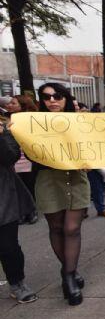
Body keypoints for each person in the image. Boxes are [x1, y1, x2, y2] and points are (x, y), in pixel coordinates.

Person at [34, 83, 89, 305]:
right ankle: (70, 271)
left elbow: (95, 148)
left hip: (76, 178)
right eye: (46, 97)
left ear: (65, 98)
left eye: (57, 96)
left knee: (72, 228)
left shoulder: (81, 123)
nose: (52, 101)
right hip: (49, 180)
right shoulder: (32, 124)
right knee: (56, 228)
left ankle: (68, 276)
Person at [0, 117, 38, 304]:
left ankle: (17, 283)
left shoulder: (5, 131)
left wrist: (1, 134)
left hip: (3, 199)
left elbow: (10, 156)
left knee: (8, 246)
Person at [5, 95, 39, 225]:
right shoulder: (5, 119)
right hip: (13, 157)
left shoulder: (31, 119)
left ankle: (32, 211)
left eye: (13, 103)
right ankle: (22, 211)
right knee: (18, 185)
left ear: (23, 105)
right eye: (9, 103)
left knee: (29, 184)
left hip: (27, 157)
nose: (9, 105)